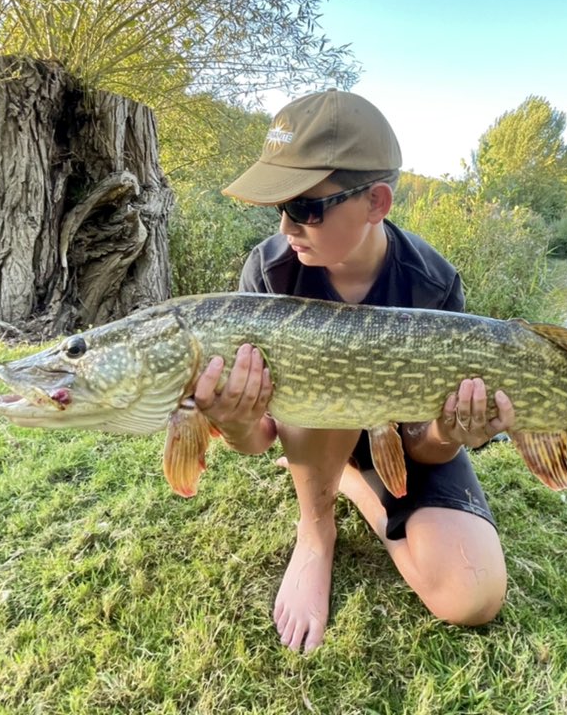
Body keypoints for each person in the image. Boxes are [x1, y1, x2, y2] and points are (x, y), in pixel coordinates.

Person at [194, 89, 515, 653]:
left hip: (406, 435)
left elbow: (427, 447)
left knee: (472, 597)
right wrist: (234, 418)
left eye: (307, 208)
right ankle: (316, 532)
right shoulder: (269, 272)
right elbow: (261, 439)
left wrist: (450, 431)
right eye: (280, 207)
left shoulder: (432, 284)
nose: (288, 225)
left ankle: (352, 482)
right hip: (312, 429)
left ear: (376, 203)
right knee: (321, 384)